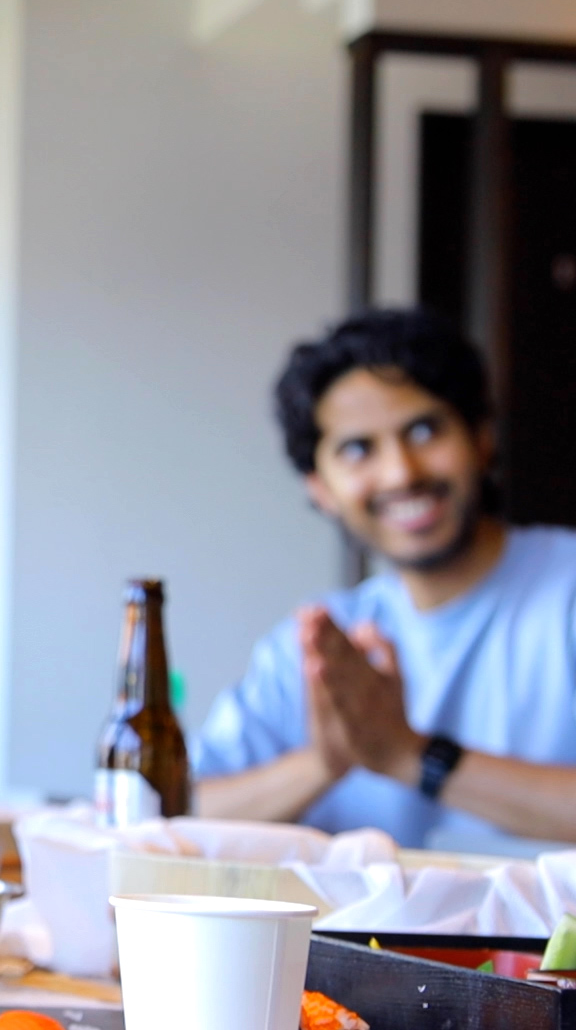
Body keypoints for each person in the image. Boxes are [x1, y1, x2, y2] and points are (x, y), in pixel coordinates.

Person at [194, 310, 576, 847]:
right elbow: (169, 815)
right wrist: (324, 764)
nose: (401, 473)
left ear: (482, 440)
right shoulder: (319, 643)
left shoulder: (565, 591)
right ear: (319, 487)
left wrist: (412, 757)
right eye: (357, 449)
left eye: (424, 430)